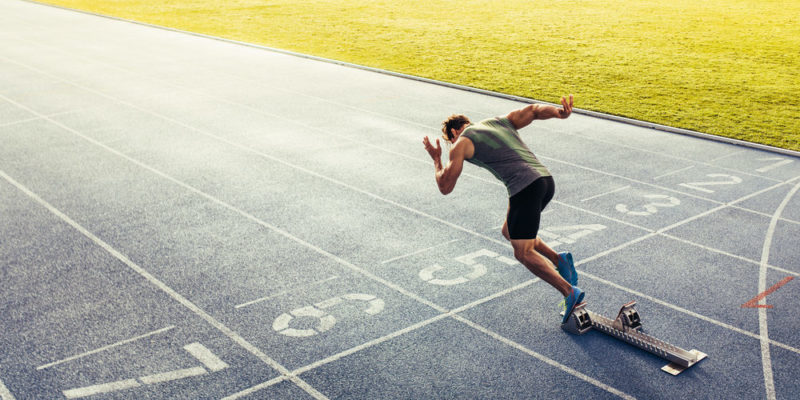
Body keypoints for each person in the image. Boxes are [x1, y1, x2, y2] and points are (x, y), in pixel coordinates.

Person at [422, 95, 583, 323]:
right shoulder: (498, 121)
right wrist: (559, 113)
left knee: (523, 252)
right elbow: (534, 110)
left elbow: (445, 186)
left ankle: (569, 292)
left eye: (450, 141)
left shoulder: (460, 144)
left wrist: (437, 159)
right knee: (509, 231)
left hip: (525, 187)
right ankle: (560, 260)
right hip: (545, 181)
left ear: (454, 134)